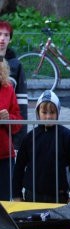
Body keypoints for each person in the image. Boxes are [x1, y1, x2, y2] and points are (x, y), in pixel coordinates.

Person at [12, 90, 70, 203]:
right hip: (32, 196)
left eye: (52, 112)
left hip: (59, 197)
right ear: (38, 113)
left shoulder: (68, 137)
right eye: (44, 112)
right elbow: (19, 168)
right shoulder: (29, 138)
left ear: (58, 113)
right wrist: (16, 194)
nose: (48, 116)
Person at [0, 21, 28, 150]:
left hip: (8, 133)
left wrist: (20, 139)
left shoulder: (16, 65)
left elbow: (21, 104)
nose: (2, 39)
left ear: (10, 39)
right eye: (0, 34)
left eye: (6, 35)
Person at [0, 57, 22, 200]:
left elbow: (19, 122)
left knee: (5, 203)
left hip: (4, 156)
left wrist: (9, 119)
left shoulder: (8, 89)